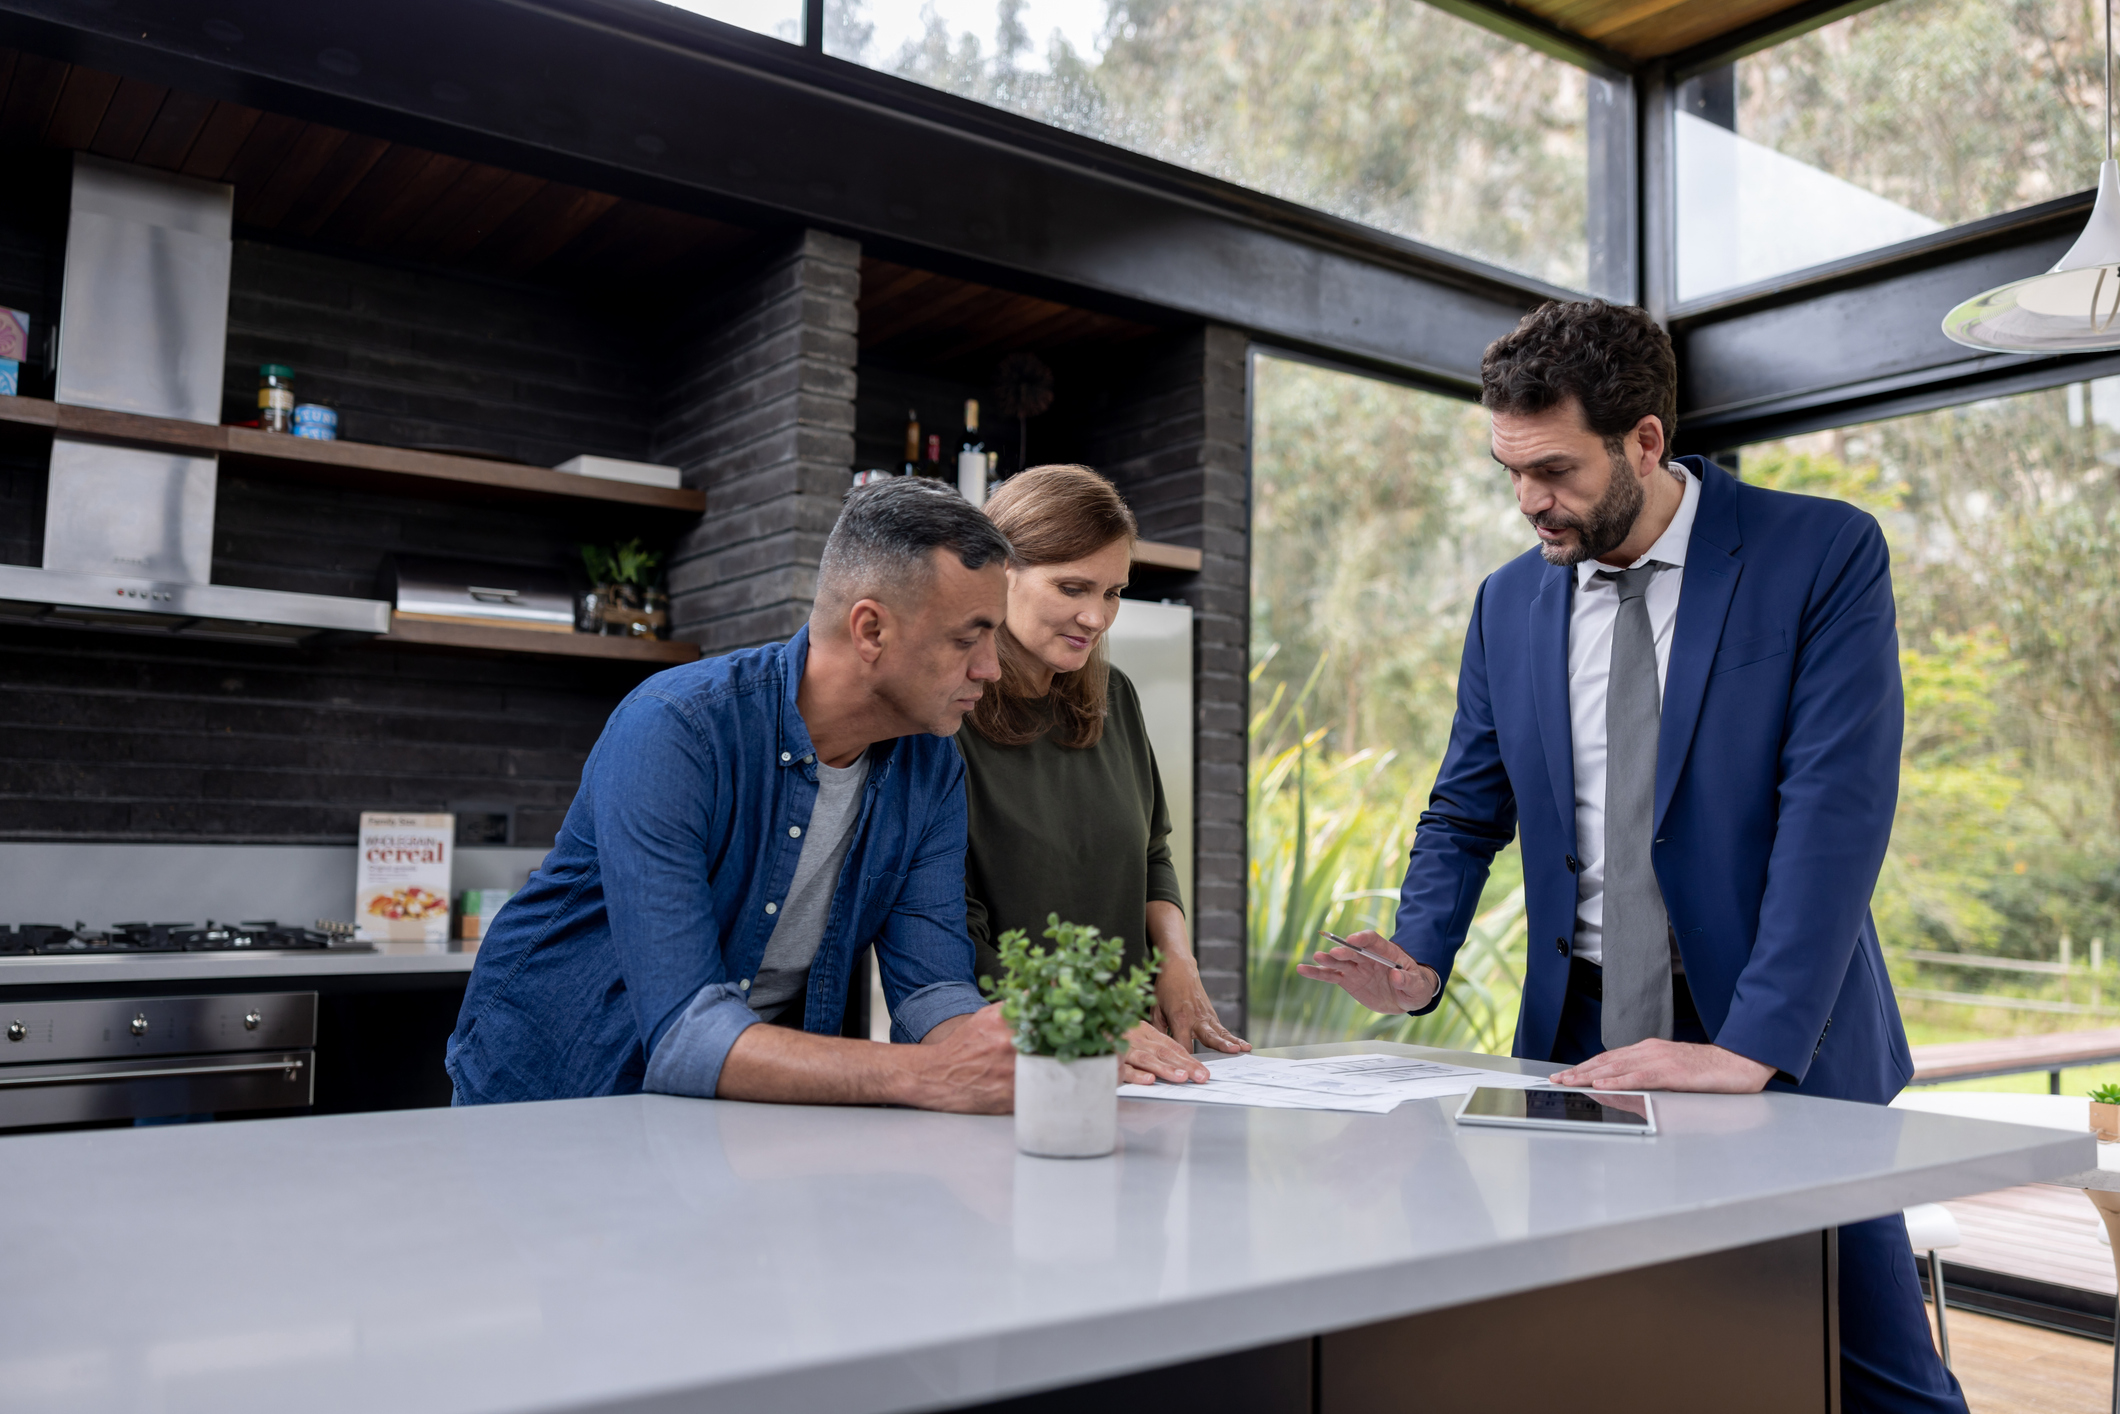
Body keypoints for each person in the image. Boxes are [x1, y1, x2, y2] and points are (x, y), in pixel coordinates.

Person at [1299, 300, 1958, 1413]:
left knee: (1877, 1374)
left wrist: (1750, 1045)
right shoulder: (1508, 601)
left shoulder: (1819, 551)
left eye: (1551, 470)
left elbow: (1833, 808)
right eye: (1507, 471)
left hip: (1780, 1040)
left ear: (1643, 441)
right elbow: (1464, 808)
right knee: (1609, 1352)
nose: (1527, 503)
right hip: (1581, 1046)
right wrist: (1417, 956)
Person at [446, 477, 1018, 1112]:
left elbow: (932, 990)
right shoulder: (676, 727)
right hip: (554, 1095)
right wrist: (922, 1075)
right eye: (968, 638)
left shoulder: (931, 767)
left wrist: (1040, 1053)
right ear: (871, 630)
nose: (990, 668)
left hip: (728, 1109)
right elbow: (687, 1031)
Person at [958, 464, 1248, 1085]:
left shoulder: (1115, 696)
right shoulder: (948, 715)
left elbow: (1152, 852)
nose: (1097, 617)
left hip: (1132, 1058)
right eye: (1072, 588)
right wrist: (1083, 1021)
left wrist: (1176, 958)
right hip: (1017, 1060)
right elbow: (951, 929)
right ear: (999, 573)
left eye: (1113, 592)